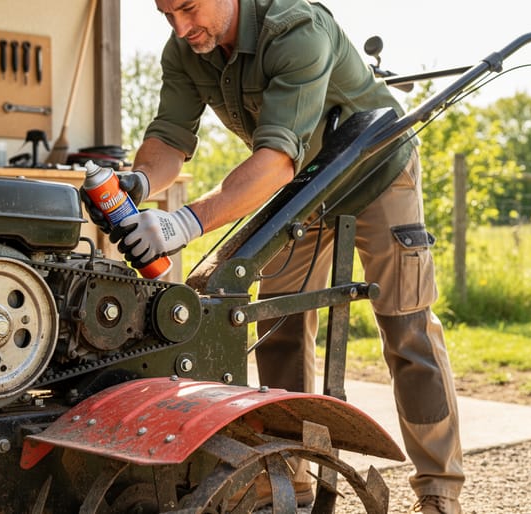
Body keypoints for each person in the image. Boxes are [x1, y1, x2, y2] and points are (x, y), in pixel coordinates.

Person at [83, 1, 464, 513]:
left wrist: (186, 222)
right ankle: (291, 476)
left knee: (407, 329)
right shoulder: (186, 49)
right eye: (166, 12)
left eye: (189, 8)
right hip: (305, 183)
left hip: (376, 170)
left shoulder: (296, 28)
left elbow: (277, 158)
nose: (180, 26)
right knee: (277, 328)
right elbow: (170, 137)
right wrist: (141, 181)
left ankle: (439, 491)